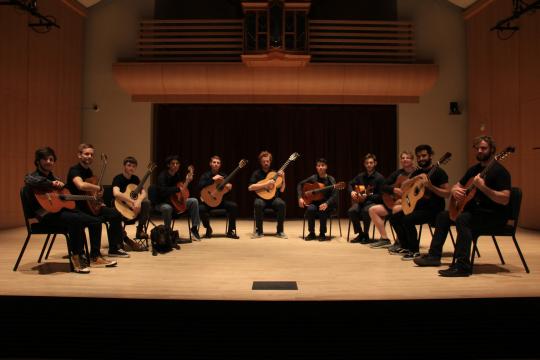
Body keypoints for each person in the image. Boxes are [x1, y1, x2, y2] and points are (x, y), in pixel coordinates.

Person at [414, 136, 511, 277]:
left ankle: (462, 266)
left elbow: (505, 199)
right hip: (474, 212)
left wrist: (483, 188)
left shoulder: (500, 172)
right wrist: (454, 190)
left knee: (463, 219)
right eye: (477, 148)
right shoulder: (474, 170)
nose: (480, 150)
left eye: (483, 148)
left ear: (492, 150)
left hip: (493, 215)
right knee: (443, 216)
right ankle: (434, 256)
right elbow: (457, 186)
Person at [24, 146, 117, 273]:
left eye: (51, 159)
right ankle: (77, 258)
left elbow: (64, 192)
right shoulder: (33, 177)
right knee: (75, 219)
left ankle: (95, 257)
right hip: (46, 216)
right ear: (38, 161)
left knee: (95, 221)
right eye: (45, 159)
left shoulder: (54, 177)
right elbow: (29, 180)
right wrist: (51, 184)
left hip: (60, 212)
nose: (49, 162)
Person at [66, 143, 129, 258]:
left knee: (115, 214)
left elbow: (91, 190)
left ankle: (114, 248)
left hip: (90, 206)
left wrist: (99, 193)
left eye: (91, 154)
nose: (89, 156)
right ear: (79, 155)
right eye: (86, 154)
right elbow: (81, 185)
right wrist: (98, 188)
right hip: (79, 207)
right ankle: (94, 254)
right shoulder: (74, 170)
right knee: (96, 220)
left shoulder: (89, 172)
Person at [389, 144, 450, 260]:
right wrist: (416, 178)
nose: (421, 159)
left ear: (430, 156)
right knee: (394, 218)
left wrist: (431, 187)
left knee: (407, 219)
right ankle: (406, 246)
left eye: (424, 155)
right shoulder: (417, 172)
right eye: (419, 156)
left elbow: (447, 193)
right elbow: (403, 186)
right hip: (418, 208)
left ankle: (414, 250)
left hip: (433, 210)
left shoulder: (439, 172)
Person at [368, 151, 416, 249]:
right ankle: (385, 239)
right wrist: (394, 189)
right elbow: (383, 186)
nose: (405, 159)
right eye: (403, 158)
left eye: (407, 157)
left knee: (396, 209)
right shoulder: (397, 173)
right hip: (394, 202)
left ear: (412, 160)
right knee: (372, 210)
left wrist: (403, 200)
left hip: (410, 205)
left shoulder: (417, 173)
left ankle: (400, 241)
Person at [154, 155, 201, 240]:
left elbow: (181, 190)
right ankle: (167, 232)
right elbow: (162, 191)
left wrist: (187, 181)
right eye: (173, 163)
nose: (175, 165)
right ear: (168, 165)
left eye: (177, 163)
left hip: (175, 201)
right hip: (162, 202)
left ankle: (194, 229)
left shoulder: (177, 175)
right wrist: (177, 189)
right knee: (167, 208)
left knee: (194, 201)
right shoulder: (162, 176)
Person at [111, 156, 150, 250]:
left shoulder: (135, 179)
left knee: (147, 203)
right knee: (113, 214)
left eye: (133, 166)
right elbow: (116, 193)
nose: (131, 168)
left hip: (135, 209)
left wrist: (139, 201)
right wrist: (132, 201)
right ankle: (125, 239)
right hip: (121, 207)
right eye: (129, 165)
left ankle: (140, 230)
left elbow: (144, 193)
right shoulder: (118, 178)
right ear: (124, 166)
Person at [198, 155, 240, 239]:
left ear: (220, 165)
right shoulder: (206, 175)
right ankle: (208, 228)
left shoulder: (224, 176)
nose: (216, 164)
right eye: (214, 162)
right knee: (200, 208)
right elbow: (200, 186)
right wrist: (213, 179)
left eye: (218, 163)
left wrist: (228, 188)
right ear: (210, 164)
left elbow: (225, 192)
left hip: (219, 201)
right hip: (208, 202)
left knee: (233, 206)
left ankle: (230, 231)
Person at [248, 151, 287, 239]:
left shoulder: (275, 173)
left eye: (267, 161)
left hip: (273, 199)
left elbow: (282, 189)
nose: (266, 163)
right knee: (258, 204)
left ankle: (280, 231)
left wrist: (283, 178)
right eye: (264, 161)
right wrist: (265, 184)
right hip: (261, 198)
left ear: (270, 161)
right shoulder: (257, 173)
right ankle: (259, 231)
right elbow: (250, 187)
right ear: (260, 162)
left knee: (281, 204)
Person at [297, 158, 338, 241]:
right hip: (315, 202)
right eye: (318, 166)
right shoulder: (313, 177)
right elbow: (299, 184)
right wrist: (300, 197)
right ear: (316, 167)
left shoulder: (331, 179)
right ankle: (311, 233)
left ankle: (322, 233)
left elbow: (335, 195)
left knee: (322, 209)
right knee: (310, 209)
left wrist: (327, 203)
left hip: (328, 203)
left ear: (326, 167)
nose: (320, 167)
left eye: (322, 165)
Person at [347, 153, 385, 244]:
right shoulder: (360, 176)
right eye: (367, 163)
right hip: (361, 202)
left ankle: (366, 234)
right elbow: (349, 184)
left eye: (371, 163)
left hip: (373, 203)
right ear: (364, 164)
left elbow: (381, 196)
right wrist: (351, 191)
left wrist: (368, 196)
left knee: (366, 210)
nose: (369, 165)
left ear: (375, 163)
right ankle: (361, 234)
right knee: (352, 211)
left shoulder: (380, 178)